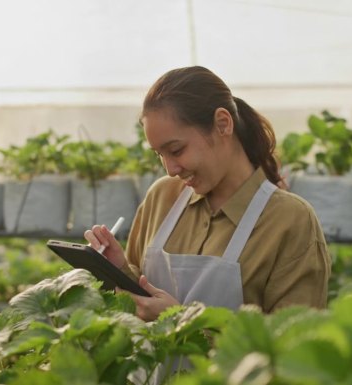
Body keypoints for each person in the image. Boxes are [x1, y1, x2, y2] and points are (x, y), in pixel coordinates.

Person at [85, 66, 331, 321]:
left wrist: (180, 320)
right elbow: (142, 299)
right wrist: (118, 269)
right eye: (159, 154)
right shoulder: (161, 197)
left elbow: (293, 341)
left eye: (177, 150)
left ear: (223, 124)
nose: (170, 169)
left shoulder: (290, 220)